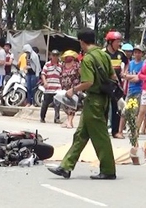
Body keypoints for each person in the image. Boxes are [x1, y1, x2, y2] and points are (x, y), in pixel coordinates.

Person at [47, 28, 117, 180]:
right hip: (101, 99)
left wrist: (73, 90)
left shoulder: (88, 58)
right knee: (80, 135)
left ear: (81, 41)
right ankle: (66, 166)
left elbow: (88, 82)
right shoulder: (104, 55)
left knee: (100, 136)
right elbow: (113, 76)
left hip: (94, 101)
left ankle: (108, 170)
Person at [103, 31, 128, 139]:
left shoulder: (121, 53)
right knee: (104, 107)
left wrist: (124, 72)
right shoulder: (103, 53)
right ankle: (103, 131)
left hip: (117, 85)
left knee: (116, 108)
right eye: (117, 41)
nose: (119, 44)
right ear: (110, 42)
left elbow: (127, 63)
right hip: (105, 84)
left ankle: (116, 131)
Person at [59, 50, 81, 128]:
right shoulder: (63, 65)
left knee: (72, 105)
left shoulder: (77, 65)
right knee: (65, 105)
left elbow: (81, 74)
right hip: (65, 88)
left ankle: (69, 121)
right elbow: (61, 75)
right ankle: (68, 121)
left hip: (74, 88)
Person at [40, 50, 62, 123]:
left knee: (57, 104)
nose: (55, 57)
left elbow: (61, 76)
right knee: (45, 103)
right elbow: (43, 74)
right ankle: (42, 117)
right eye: (53, 55)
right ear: (51, 56)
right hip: (49, 87)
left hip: (57, 87)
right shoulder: (47, 64)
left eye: (56, 55)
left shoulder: (60, 65)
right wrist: (45, 82)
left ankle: (57, 118)